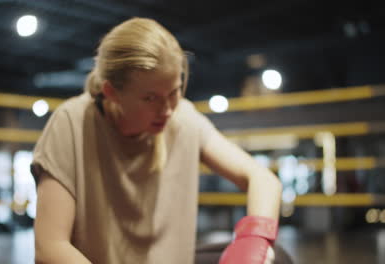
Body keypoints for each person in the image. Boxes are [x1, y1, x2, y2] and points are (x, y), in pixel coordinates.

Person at [31, 17, 283, 264]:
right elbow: (50, 247)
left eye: (173, 92)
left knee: (277, 257)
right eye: (150, 98)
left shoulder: (183, 117)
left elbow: (262, 179)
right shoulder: (73, 121)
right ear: (112, 93)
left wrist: (253, 242)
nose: (166, 110)